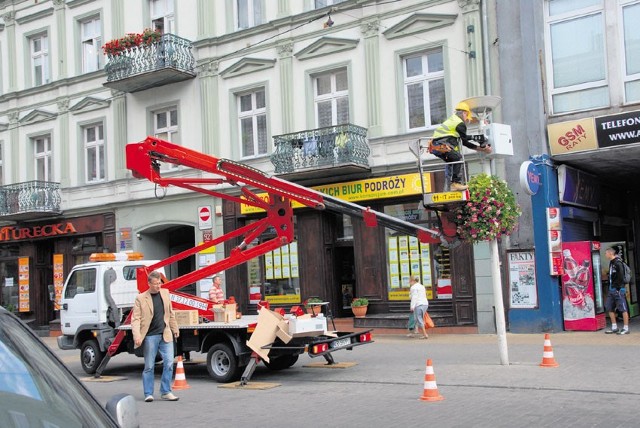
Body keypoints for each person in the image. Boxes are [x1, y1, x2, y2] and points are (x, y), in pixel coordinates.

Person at [131, 271, 180, 402]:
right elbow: (135, 319)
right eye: (156, 284)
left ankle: (166, 391)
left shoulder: (165, 293)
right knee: (149, 366)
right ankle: (148, 393)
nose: (158, 286)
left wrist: (175, 328)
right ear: (149, 284)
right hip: (150, 336)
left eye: (160, 283)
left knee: (169, 363)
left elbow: (170, 313)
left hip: (165, 334)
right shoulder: (141, 298)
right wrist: (137, 336)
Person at [430, 101, 493, 191]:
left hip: (435, 145)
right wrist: (482, 148)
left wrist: (475, 140)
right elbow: (465, 142)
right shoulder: (460, 124)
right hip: (440, 145)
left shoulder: (453, 119)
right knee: (457, 158)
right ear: (464, 113)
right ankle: (455, 184)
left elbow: (462, 139)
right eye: (467, 116)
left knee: (451, 162)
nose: (467, 119)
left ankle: (448, 187)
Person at [604, 247, 630, 335]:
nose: (605, 255)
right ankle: (614, 327)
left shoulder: (618, 263)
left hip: (618, 290)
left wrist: (618, 288)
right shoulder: (611, 263)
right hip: (611, 289)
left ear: (610, 253)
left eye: (606, 253)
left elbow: (621, 277)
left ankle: (626, 328)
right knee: (609, 307)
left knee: (623, 308)